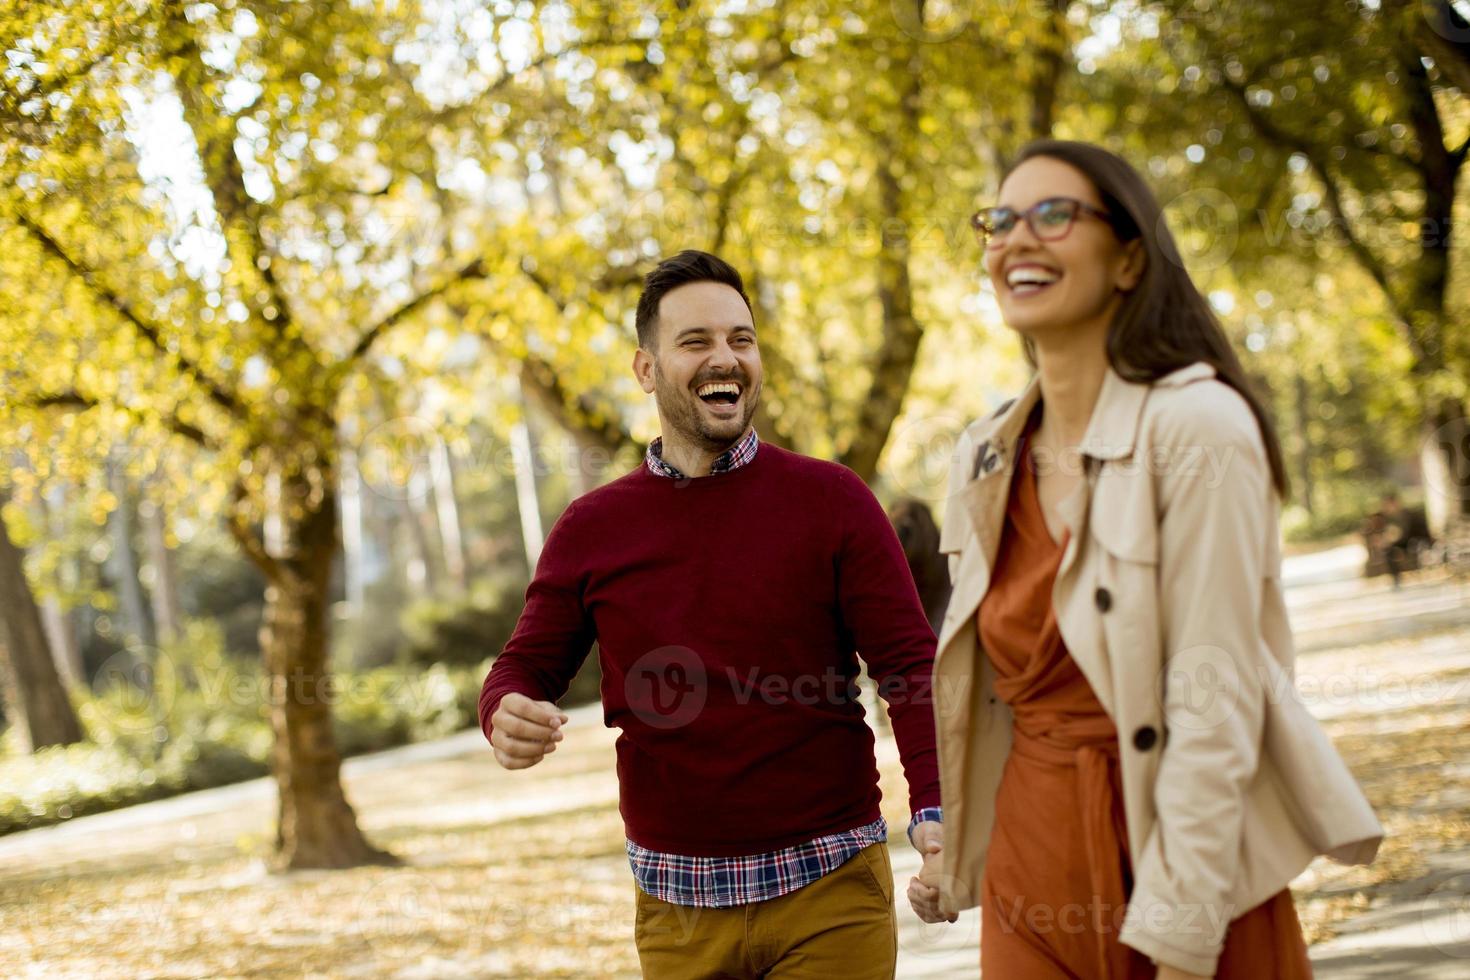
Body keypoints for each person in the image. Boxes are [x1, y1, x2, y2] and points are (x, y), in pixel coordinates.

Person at [920, 141, 1383, 978]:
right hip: (1031, 868)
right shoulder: (982, 454)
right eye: (1000, 220)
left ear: (1129, 258)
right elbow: (975, 694)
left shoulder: (1198, 427)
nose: (1018, 238)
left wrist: (1181, 937)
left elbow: (1217, 703)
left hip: (1180, 855)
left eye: (1055, 215)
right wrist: (952, 853)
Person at [479, 250, 946, 979]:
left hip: (829, 890)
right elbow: (525, 665)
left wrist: (937, 809)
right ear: (646, 369)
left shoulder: (833, 501)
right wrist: (504, 709)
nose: (724, 357)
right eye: (695, 341)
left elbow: (910, 668)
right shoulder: (592, 528)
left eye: (741, 339)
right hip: (677, 912)